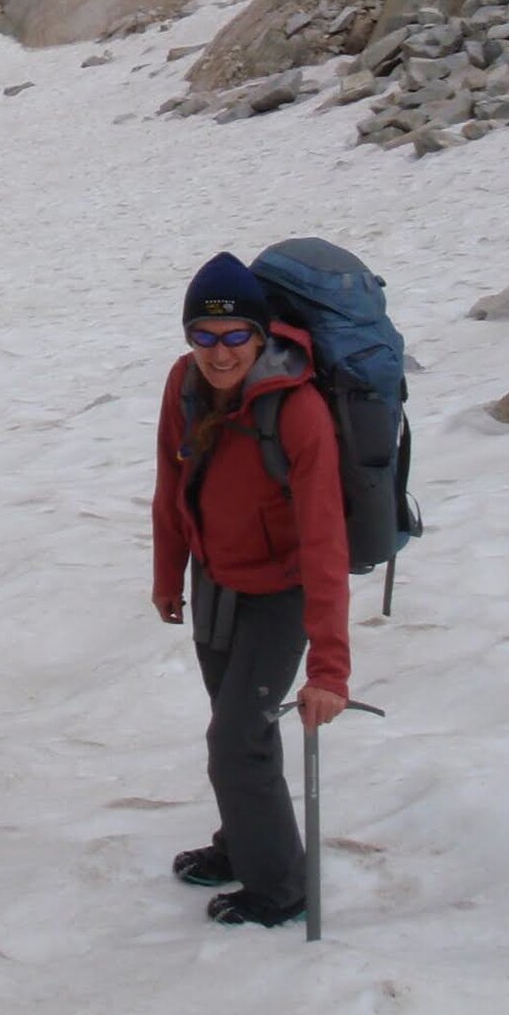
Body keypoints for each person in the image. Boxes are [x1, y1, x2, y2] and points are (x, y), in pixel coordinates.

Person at [150, 252, 351, 927]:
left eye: (236, 334)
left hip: (280, 594)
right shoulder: (184, 385)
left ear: (261, 336)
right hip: (215, 581)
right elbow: (169, 487)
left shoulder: (298, 411)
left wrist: (329, 666)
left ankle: (280, 886)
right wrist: (168, 573)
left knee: (238, 739)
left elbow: (325, 538)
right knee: (235, 734)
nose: (219, 350)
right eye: (203, 335)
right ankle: (244, 843)